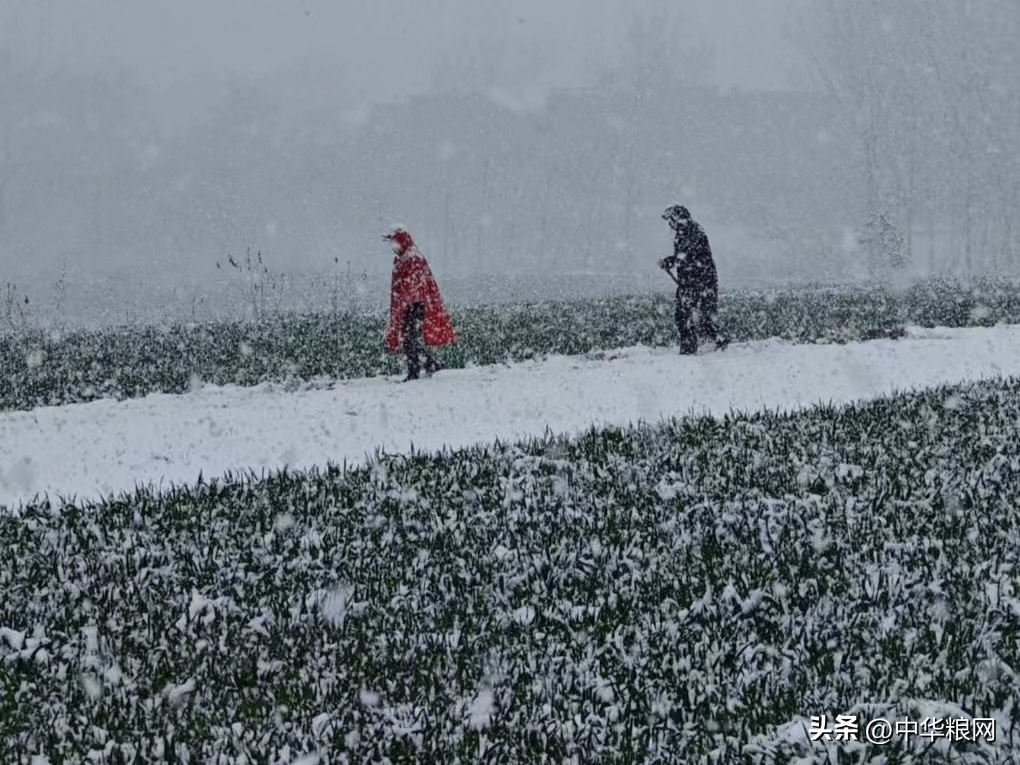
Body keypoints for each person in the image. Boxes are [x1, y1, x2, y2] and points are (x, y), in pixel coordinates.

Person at [383, 224, 457, 380]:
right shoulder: (402, 259)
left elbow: (416, 285)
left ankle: (415, 370)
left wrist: (407, 302)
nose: (392, 247)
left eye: (394, 242)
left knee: (409, 339)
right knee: (410, 338)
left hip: (417, 305)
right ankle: (430, 363)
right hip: (410, 305)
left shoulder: (413, 258)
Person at [657, 204, 728, 355]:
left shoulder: (693, 233)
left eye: (671, 220)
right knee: (689, 315)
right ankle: (712, 343)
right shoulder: (684, 232)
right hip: (692, 281)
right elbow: (684, 257)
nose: (670, 225)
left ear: (678, 219)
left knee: (693, 315)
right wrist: (672, 262)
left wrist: (670, 261)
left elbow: (685, 256)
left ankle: (703, 346)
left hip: (701, 281)